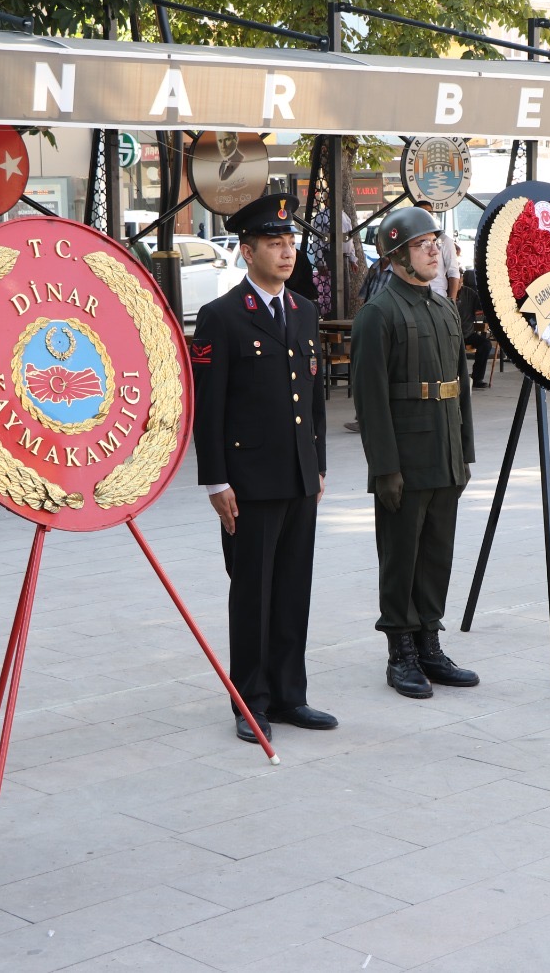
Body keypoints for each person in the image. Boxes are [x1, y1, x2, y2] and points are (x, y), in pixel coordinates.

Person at [191, 193, 335, 742]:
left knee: (294, 586)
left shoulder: (303, 310)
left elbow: (314, 396)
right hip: (248, 482)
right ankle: (250, 701)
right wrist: (215, 479)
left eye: (290, 242)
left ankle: (289, 694)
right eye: (274, 244)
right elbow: (211, 406)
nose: (286, 251)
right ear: (246, 251)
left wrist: (316, 464)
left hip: (298, 477)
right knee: (252, 592)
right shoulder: (222, 316)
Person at [353, 206, 479, 697]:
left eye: (436, 242)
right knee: (401, 555)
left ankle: (429, 640)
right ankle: (400, 651)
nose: (434, 249)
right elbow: (370, 397)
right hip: (405, 458)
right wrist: (385, 468)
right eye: (423, 243)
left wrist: (464, 452)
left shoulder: (444, 306)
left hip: (445, 452)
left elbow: (461, 385)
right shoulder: (378, 314)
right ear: (396, 254)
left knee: (436, 554)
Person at [413, 201, 461, 300]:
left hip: (438, 295)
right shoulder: (410, 241)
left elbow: (453, 272)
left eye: (430, 213)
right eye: (423, 212)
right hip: (414, 296)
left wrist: (452, 303)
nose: (427, 216)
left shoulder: (444, 240)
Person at [455, 268, 492, 389]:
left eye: (460, 277)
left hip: (467, 334)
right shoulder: (444, 292)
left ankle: (477, 378)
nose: (458, 280)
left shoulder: (469, 293)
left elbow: (481, 306)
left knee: (486, 344)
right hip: (451, 335)